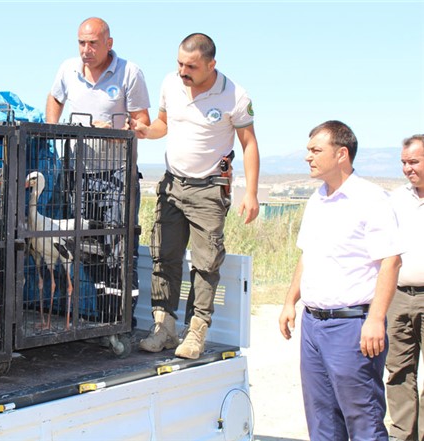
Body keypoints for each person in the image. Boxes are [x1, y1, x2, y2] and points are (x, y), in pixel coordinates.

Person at [132, 33, 260, 359]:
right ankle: (164, 327)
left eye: (191, 66)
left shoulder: (235, 95)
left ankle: (197, 330)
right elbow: (163, 124)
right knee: (165, 256)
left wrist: (252, 193)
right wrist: (147, 132)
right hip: (173, 184)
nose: (183, 71)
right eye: (179, 63)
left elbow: (249, 144)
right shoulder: (170, 84)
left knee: (205, 263)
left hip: (208, 190)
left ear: (211, 64)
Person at [278, 120, 402, 440]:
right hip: (313, 325)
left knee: (363, 420)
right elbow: (308, 255)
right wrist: (290, 302)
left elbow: (390, 261)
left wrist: (375, 319)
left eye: (316, 150)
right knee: (322, 420)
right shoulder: (317, 199)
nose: (308, 157)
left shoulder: (371, 198)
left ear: (341, 154)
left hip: (352, 326)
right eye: (308, 151)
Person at [46, 17, 151, 327]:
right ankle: (103, 315)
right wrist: (54, 129)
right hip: (78, 175)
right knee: (87, 247)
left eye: (93, 43)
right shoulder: (67, 70)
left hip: (117, 175)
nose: (86, 50)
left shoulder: (130, 72)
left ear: (109, 43)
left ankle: (121, 321)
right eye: (81, 43)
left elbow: (141, 121)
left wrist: (120, 130)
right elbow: (54, 97)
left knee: (119, 249)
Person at [386, 134, 424, 441]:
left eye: (414, 162)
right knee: (398, 372)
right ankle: (402, 436)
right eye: (404, 162)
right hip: (398, 298)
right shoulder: (396, 200)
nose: (407, 168)